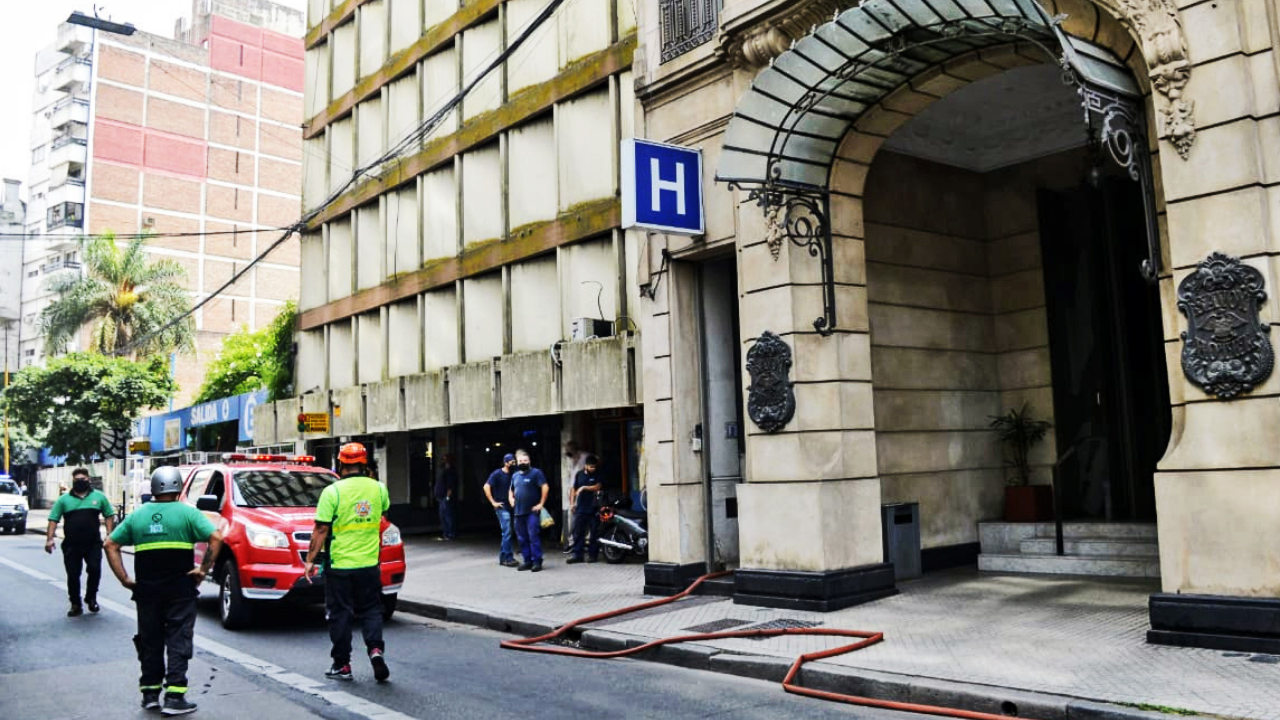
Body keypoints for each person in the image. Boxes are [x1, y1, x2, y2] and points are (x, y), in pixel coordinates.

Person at [105, 466, 223, 716]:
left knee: (150, 639)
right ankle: (175, 697)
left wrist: (125, 579)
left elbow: (110, 544)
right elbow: (216, 538)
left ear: (155, 488)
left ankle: (149, 694)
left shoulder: (138, 516)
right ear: (178, 486)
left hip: (147, 590)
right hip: (181, 589)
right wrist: (203, 569)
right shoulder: (188, 513)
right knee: (178, 639)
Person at [304, 442, 391, 684]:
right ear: (364, 464)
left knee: (340, 613)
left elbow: (321, 529)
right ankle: (375, 650)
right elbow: (383, 517)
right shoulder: (379, 489)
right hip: (369, 564)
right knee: (371, 609)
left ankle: (342, 665)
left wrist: (310, 561)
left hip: (340, 565)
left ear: (341, 463)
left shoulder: (333, 492)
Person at [46, 468, 116, 617]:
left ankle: (91, 597)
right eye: (77, 480)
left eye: (83, 480)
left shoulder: (99, 497)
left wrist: (110, 534)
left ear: (88, 480)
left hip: (93, 544)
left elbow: (109, 515)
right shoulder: (64, 500)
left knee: (95, 569)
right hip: (72, 544)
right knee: (73, 575)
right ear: (73, 482)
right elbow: (53, 519)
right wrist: (50, 539)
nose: (80, 483)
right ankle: (75, 604)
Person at [508, 449, 549, 572]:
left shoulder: (536, 473)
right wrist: (510, 499)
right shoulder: (515, 475)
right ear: (517, 462)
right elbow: (511, 489)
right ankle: (527, 561)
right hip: (518, 512)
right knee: (521, 538)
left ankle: (537, 562)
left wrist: (541, 504)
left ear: (529, 461)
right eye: (520, 461)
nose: (523, 462)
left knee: (533, 537)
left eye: (525, 460)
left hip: (532, 512)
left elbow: (545, 487)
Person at [483, 454, 519, 567]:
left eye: (514, 462)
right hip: (502, 506)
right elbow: (486, 486)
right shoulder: (497, 474)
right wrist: (493, 502)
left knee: (508, 532)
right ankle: (508, 557)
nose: (513, 464)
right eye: (511, 462)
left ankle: (503, 557)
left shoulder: (514, 473)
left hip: (512, 506)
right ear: (505, 462)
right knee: (507, 531)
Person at [567, 455, 602, 564]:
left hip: (593, 508)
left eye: (594, 467)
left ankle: (593, 555)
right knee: (578, 532)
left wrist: (584, 488)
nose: (593, 469)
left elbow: (598, 486)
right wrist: (572, 503)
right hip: (581, 508)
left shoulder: (597, 474)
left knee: (594, 533)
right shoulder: (579, 474)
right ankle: (578, 555)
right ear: (586, 466)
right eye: (591, 467)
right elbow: (574, 489)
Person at [434, 454, 458, 540]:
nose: (443, 461)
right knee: (443, 516)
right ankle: (446, 533)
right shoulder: (445, 471)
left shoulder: (450, 471)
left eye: (445, 460)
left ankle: (450, 534)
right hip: (441, 497)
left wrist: (448, 497)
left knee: (448, 516)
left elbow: (450, 486)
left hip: (446, 498)